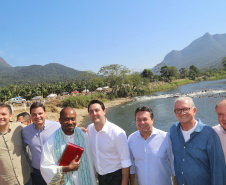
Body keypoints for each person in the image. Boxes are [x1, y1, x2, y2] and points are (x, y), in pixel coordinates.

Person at [170, 96, 226, 185]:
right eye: (178, 110)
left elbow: (218, 169)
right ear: (175, 112)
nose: (182, 113)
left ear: (194, 110)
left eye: (186, 109)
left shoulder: (209, 134)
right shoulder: (173, 130)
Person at [40, 107, 97, 184]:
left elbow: (92, 158)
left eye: (73, 119)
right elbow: (45, 167)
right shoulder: (51, 141)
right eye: (66, 119)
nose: (70, 122)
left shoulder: (84, 136)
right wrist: (66, 168)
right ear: (60, 120)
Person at [87, 100, 131, 185]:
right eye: (91, 112)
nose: (94, 114)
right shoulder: (89, 129)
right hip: (101, 178)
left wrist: (124, 183)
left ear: (104, 111)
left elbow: (125, 161)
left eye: (97, 110)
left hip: (116, 178)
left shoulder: (117, 133)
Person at [128, 106, 176, 185]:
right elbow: (132, 167)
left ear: (152, 120)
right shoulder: (131, 139)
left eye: (145, 119)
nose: (142, 123)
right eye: (138, 120)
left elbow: (174, 165)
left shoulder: (165, 137)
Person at [22, 102, 61, 185]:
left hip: (55, 170)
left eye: (40, 113)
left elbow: (69, 131)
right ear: (31, 116)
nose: (37, 117)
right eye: (34, 114)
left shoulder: (57, 126)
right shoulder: (26, 131)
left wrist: (79, 129)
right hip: (37, 172)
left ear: (45, 113)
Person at [0, 103, 31, 185]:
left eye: (4, 114)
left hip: (25, 179)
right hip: (6, 182)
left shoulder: (18, 127)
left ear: (10, 116)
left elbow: (35, 129)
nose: (1, 117)